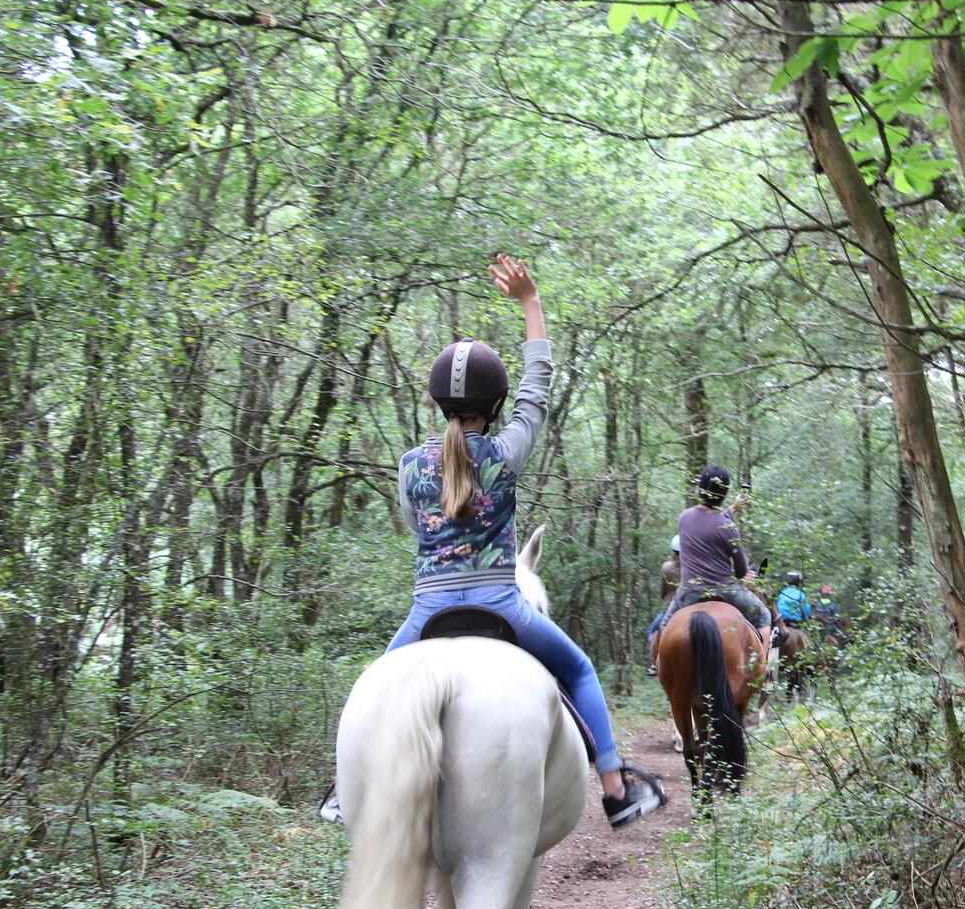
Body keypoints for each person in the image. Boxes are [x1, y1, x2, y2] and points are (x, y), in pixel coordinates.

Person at [324, 255, 665, 830]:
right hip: (502, 606)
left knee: (373, 692)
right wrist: (530, 303)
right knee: (579, 669)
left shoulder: (411, 466)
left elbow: (417, 529)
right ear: (496, 406)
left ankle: (344, 790)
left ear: (437, 404)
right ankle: (614, 788)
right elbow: (539, 386)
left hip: (428, 610)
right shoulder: (506, 454)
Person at [650, 465, 773, 656]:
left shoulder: (684, 518)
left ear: (701, 489)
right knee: (764, 616)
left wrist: (733, 509)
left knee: (663, 631)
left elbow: (705, 522)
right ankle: (762, 671)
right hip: (726, 592)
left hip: (689, 593)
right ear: (724, 493)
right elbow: (741, 570)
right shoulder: (727, 526)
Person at [645, 536, 682, 676]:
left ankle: (653, 663)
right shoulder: (695, 565)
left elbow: (663, 590)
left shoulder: (667, 567)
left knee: (652, 630)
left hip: (671, 606)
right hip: (693, 601)